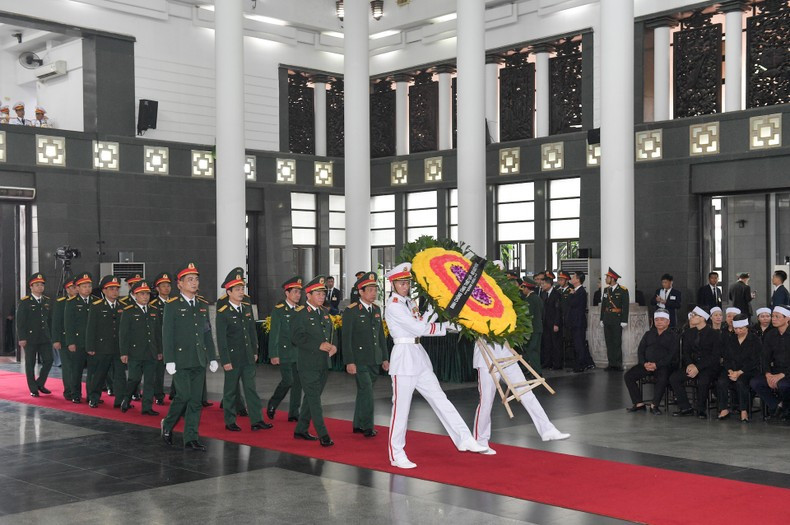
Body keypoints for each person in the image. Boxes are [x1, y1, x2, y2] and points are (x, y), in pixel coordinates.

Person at [385, 262, 487, 469]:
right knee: (401, 409)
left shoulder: (408, 302)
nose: (405, 286)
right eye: (401, 283)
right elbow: (418, 327)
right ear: (393, 285)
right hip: (404, 357)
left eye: (407, 283)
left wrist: (435, 308)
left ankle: (464, 438)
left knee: (440, 398)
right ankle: (397, 453)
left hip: (418, 355)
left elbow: (421, 319)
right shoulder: (394, 305)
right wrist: (447, 326)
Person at [160, 262, 219, 451]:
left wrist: (211, 357)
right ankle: (168, 424)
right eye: (190, 280)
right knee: (183, 396)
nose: (194, 283)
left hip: (198, 359)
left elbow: (206, 333)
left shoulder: (202, 305)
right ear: (180, 284)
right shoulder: (172, 306)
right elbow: (167, 334)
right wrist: (169, 359)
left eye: (196, 279)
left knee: (195, 401)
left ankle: (191, 437)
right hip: (180, 359)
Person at [474, 339, 570, 453]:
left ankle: (547, 429)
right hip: (486, 357)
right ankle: (481, 440)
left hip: (506, 353)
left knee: (526, 392)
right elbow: (463, 323)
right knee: (486, 401)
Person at [216, 268, 272, 432]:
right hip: (232, 358)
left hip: (248, 356)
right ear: (229, 292)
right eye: (238, 289)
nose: (241, 292)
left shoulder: (246, 308)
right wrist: (225, 360)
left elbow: (252, 332)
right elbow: (221, 338)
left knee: (251, 389)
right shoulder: (223, 312)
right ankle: (230, 420)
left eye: (242, 289)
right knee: (230, 391)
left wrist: (255, 351)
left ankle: (256, 420)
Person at [342, 272, 389, 437]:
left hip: (374, 358)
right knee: (367, 391)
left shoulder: (376, 309)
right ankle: (368, 426)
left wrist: (384, 357)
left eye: (375, 289)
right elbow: (346, 339)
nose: (373, 293)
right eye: (369, 290)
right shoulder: (351, 311)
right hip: (359, 360)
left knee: (364, 391)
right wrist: (349, 361)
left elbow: (381, 336)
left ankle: (357, 424)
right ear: (360, 292)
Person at [291, 276, 337, 447]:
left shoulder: (324, 313)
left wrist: (334, 346)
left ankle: (301, 429)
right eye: (317, 293)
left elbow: (332, 334)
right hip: (308, 363)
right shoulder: (300, 314)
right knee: (315, 401)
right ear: (308, 295)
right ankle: (323, 434)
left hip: (324, 363)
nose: (321, 296)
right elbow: (296, 337)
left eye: (323, 293)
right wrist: (319, 344)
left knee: (312, 398)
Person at [670, 306, 722, 419]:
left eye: (694, 315)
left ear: (702, 318)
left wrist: (698, 367)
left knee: (703, 380)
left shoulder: (714, 334)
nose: (691, 317)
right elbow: (686, 352)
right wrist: (689, 364)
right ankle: (685, 407)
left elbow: (714, 356)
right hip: (692, 365)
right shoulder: (689, 333)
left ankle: (701, 409)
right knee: (674, 378)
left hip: (708, 367)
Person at [118, 280, 161, 415]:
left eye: (147, 294)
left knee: (149, 381)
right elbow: (123, 334)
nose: (145, 296)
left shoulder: (154, 310)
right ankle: (126, 398)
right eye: (142, 294)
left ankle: (147, 407)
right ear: (135, 295)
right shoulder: (129, 311)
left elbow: (158, 333)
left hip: (151, 352)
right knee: (134, 378)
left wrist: (160, 350)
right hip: (135, 352)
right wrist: (123, 352)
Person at [624, 309, 678, 415]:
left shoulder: (673, 336)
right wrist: (644, 363)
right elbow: (641, 350)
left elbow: (672, 355)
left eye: (662, 320)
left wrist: (657, 365)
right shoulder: (649, 333)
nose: (659, 322)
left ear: (668, 321)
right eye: (656, 320)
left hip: (663, 365)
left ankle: (654, 405)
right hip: (647, 364)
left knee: (662, 378)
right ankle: (639, 403)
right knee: (628, 376)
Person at [85, 275, 127, 408]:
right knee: (99, 374)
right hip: (102, 347)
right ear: (104, 290)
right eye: (111, 289)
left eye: (117, 289)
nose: (115, 292)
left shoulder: (123, 306)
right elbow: (91, 328)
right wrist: (90, 346)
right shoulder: (96, 306)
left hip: (118, 348)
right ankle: (94, 397)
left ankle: (120, 400)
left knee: (120, 375)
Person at [266, 276, 304, 422]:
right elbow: (274, 333)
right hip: (284, 352)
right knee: (288, 381)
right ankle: (273, 403)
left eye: (299, 292)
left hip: (298, 353)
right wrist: (274, 354)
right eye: (295, 292)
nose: (298, 295)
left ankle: (294, 413)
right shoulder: (279, 310)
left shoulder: (301, 310)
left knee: (297, 384)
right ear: (287, 293)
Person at [716, 314, 760, 422]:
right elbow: (726, 358)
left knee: (741, 382)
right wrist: (730, 370)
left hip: (748, 370)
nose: (738, 331)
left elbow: (755, 360)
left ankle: (744, 410)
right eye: (736, 328)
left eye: (741, 328)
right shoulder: (730, 339)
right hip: (732, 370)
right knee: (721, 381)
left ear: (747, 327)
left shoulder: (754, 340)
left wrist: (739, 372)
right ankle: (724, 409)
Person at [750, 306, 790, 421]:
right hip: (774, 371)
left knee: (783, 385)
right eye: (773, 316)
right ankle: (778, 405)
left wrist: (783, 375)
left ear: (787, 318)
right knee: (755, 382)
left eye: (777, 317)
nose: (773, 319)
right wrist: (768, 374)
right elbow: (765, 357)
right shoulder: (771, 335)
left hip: (787, 373)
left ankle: (786, 410)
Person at [16, 272, 53, 397]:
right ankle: (33, 388)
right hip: (30, 338)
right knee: (30, 363)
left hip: (44, 337)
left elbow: (50, 320)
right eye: (37, 285)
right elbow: (20, 322)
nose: (40, 287)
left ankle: (40, 383)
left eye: (42, 285)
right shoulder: (25, 301)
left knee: (49, 360)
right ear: (31, 287)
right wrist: (22, 338)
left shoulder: (47, 301)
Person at [64, 272, 98, 403]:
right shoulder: (72, 302)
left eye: (89, 286)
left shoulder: (96, 301)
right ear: (77, 288)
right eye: (84, 286)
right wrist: (70, 342)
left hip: (93, 343)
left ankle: (92, 395)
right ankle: (75, 394)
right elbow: (69, 324)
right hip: (78, 342)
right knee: (76, 370)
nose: (87, 289)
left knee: (93, 372)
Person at [149, 272, 173, 405]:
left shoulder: (175, 303)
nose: (166, 288)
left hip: (175, 344)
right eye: (163, 286)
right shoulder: (153, 305)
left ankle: (175, 393)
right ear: (157, 289)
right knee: (158, 372)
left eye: (168, 285)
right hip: (161, 343)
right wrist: (157, 348)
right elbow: (154, 330)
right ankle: (158, 394)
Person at [51, 277, 77, 399]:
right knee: (67, 367)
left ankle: (76, 390)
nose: (75, 290)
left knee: (77, 367)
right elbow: (56, 322)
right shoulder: (61, 302)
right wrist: (56, 339)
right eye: (72, 287)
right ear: (67, 289)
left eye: (76, 287)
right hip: (64, 339)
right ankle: (68, 392)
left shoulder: (81, 301)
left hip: (79, 340)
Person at [600, 267, 629, 371]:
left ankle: (617, 364)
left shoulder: (623, 290)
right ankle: (611, 363)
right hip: (607, 318)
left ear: (612, 278)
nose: (605, 279)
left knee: (616, 342)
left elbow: (625, 306)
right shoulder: (606, 290)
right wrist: (601, 319)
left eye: (607, 277)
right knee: (609, 342)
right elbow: (603, 306)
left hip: (617, 319)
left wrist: (624, 320)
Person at [568, 271, 594, 372]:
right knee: (578, 343)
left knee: (579, 344)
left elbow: (572, 303)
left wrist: (571, 295)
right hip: (575, 322)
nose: (572, 278)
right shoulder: (576, 291)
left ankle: (581, 364)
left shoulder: (581, 292)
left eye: (574, 277)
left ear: (578, 280)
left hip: (578, 322)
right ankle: (587, 362)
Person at [520, 276, 544, 374]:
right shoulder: (538, 298)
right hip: (538, 328)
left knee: (531, 351)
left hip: (532, 329)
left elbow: (527, 315)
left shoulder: (529, 299)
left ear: (527, 288)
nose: (523, 290)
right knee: (535, 351)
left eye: (523, 288)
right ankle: (528, 370)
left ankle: (536, 372)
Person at [540, 272, 563, 370]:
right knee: (547, 344)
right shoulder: (543, 294)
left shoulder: (556, 294)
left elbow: (558, 310)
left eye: (544, 284)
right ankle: (547, 363)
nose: (542, 286)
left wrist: (556, 323)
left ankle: (557, 364)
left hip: (553, 323)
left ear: (549, 284)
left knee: (555, 344)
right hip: (545, 323)